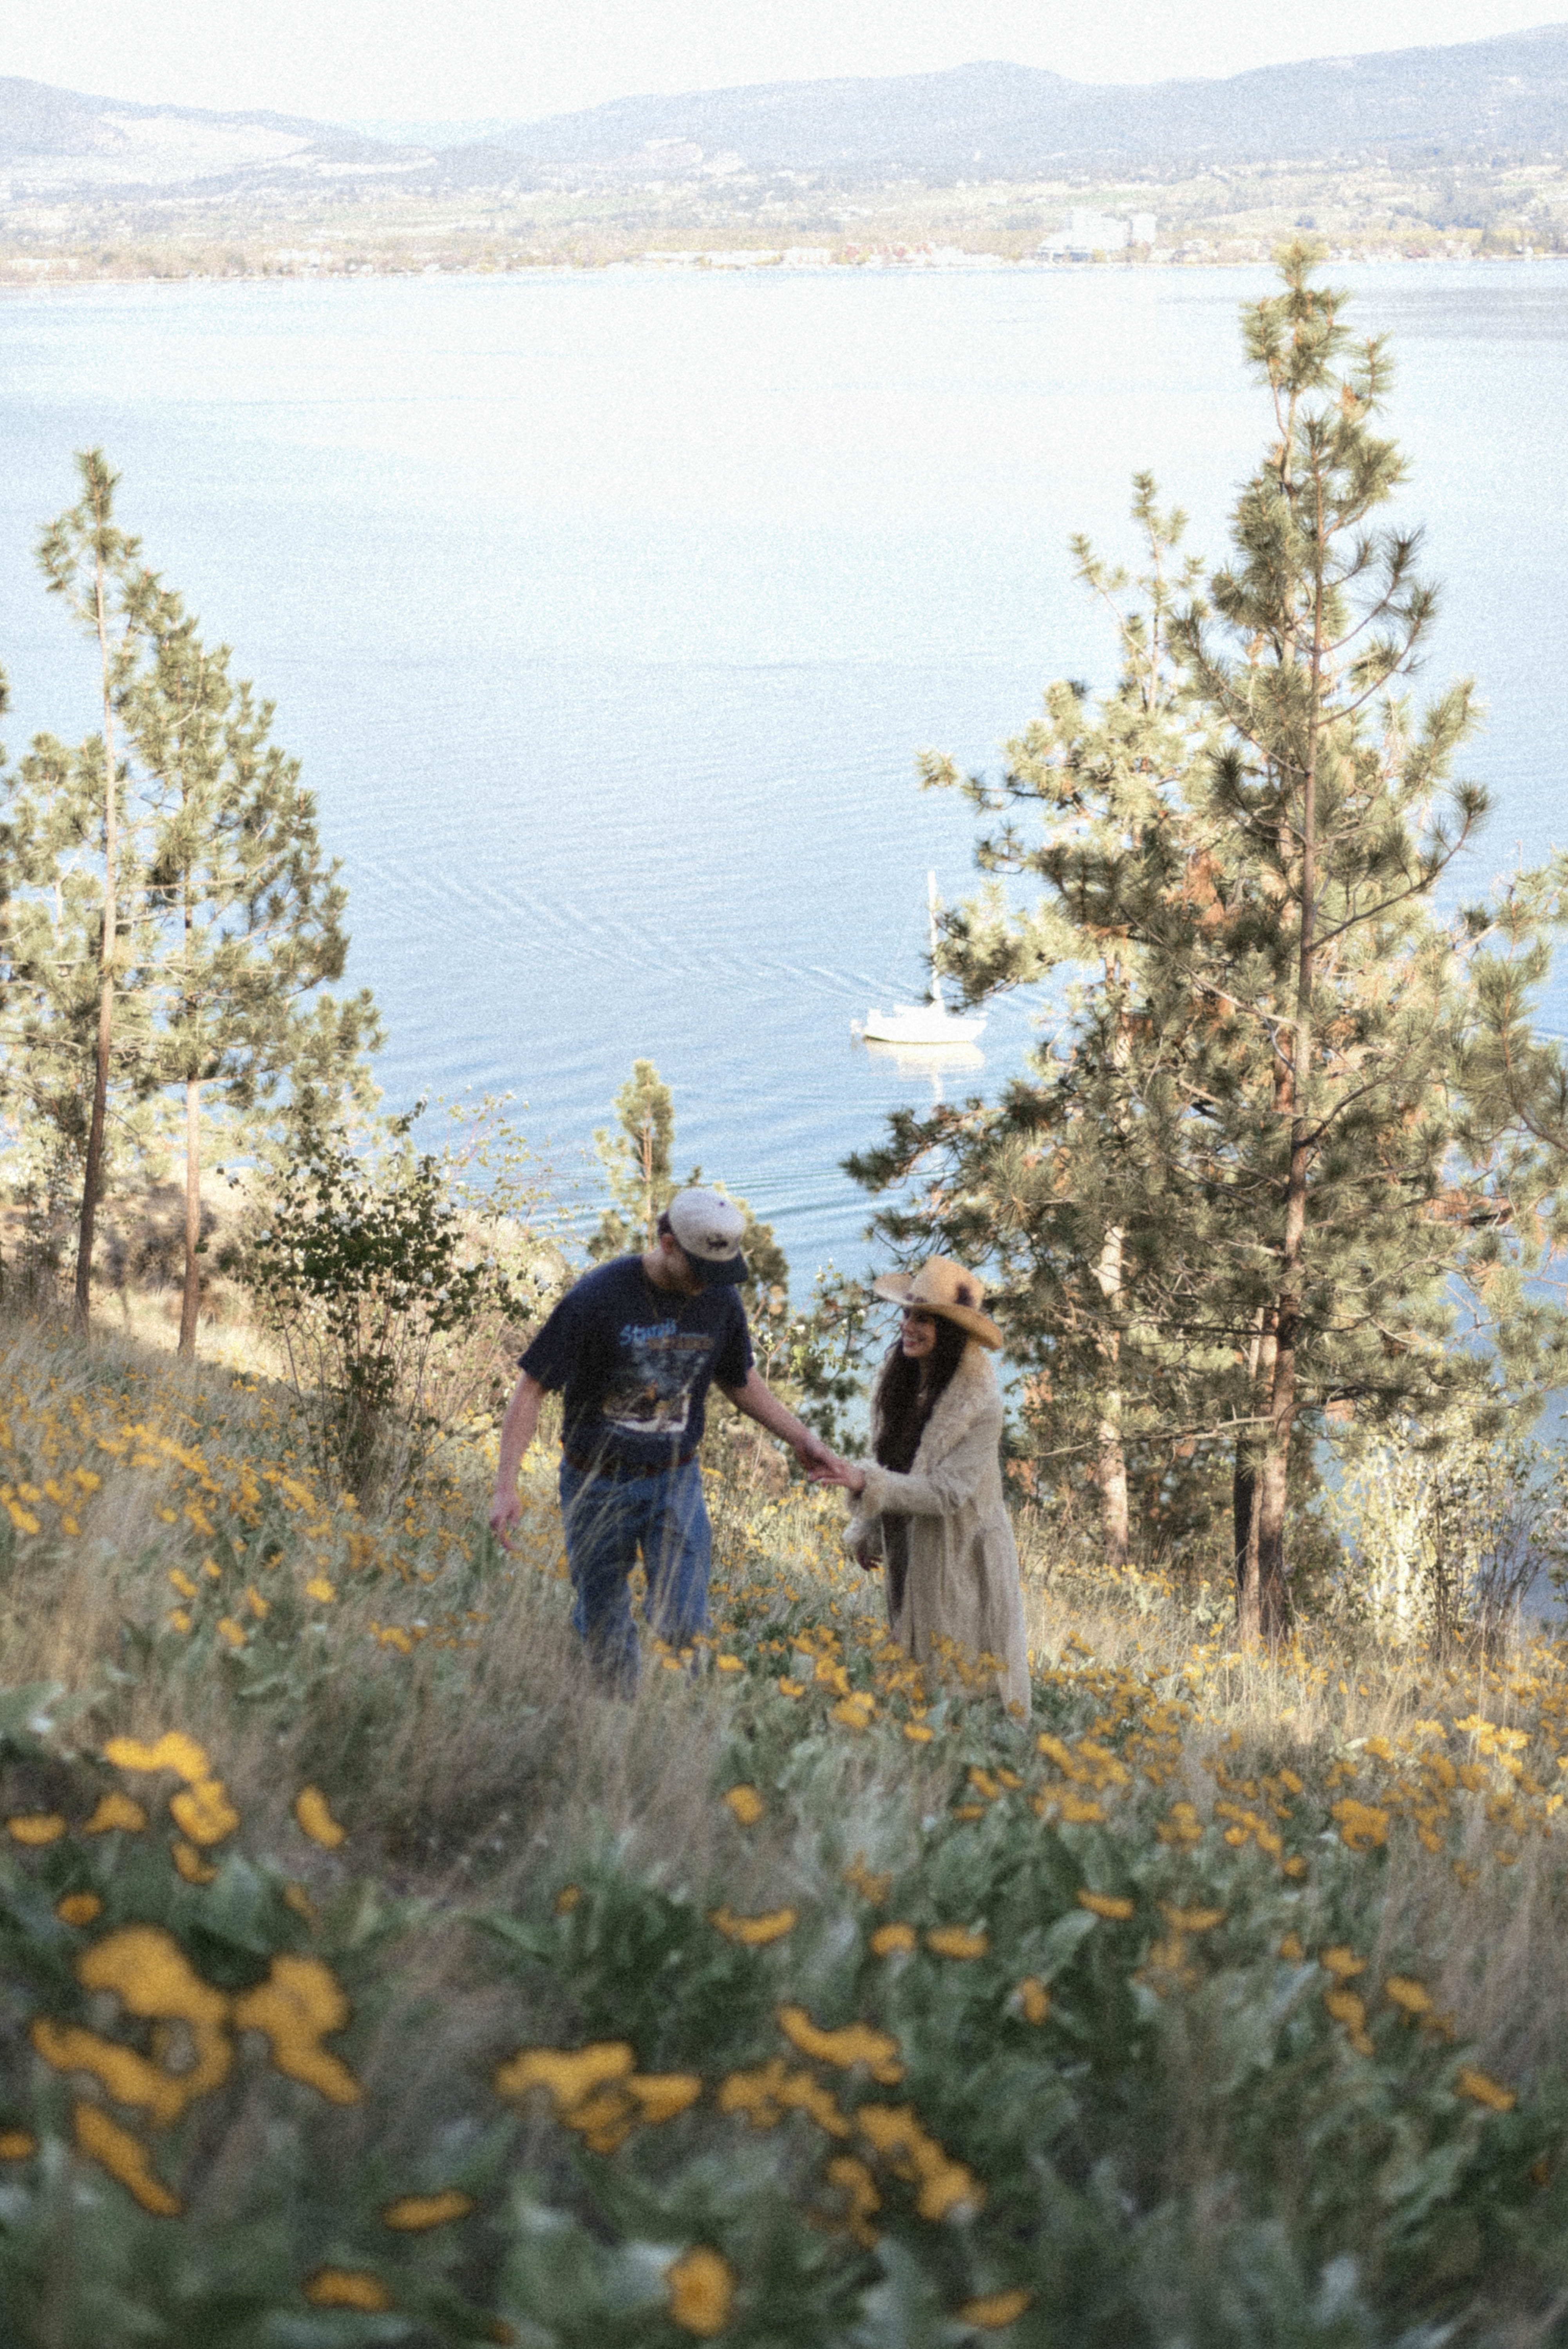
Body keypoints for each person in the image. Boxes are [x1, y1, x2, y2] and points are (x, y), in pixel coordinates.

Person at [489, 1186, 834, 1693]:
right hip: (595, 1482)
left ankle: (685, 1723)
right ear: (667, 1242)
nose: (707, 1284)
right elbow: (531, 1389)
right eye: (699, 1269)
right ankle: (614, 1721)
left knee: (685, 1624)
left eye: (719, 1273)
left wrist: (801, 1438)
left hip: (674, 1480)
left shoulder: (718, 1298)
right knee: (602, 1618)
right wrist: (505, 1486)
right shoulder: (597, 1298)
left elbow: (740, 1382)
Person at [816, 1257, 1030, 1717]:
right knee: (913, 1674)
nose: (908, 1327)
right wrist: (869, 1528)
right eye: (907, 1314)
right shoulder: (898, 1379)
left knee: (966, 1682)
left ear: (950, 1332)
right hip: (910, 1544)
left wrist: (864, 1482)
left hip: (964, 1554)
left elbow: (947, 1492)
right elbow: (893, 1462)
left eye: (924, 1319)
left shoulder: (982, 1404)